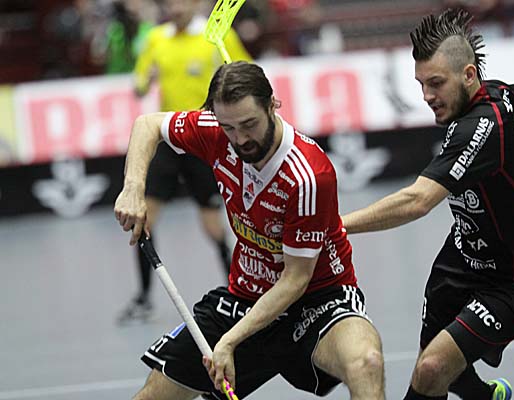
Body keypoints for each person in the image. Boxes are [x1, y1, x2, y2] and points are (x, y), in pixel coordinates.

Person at [114, 61, 385, 399]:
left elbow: (295, 280)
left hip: (317, 300)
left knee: (366, 363)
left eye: (249, 124)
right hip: (245, 298)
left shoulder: (307, 177)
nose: (240, 139)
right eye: (228, 127)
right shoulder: (216, 132)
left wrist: (229, 341)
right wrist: (133, 188)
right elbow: (148, 124)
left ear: (273, 104)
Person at [342, 9, 514, 400]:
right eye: (421, 84)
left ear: (468, 75)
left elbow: (417, 200)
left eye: (436, 83)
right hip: (466, 255)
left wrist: (335, 225)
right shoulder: (506, 92)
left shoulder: (483, 126)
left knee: (432, 368)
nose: (426, 96)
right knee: (440, 368)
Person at [117, 0, 252, 324]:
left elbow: (248, 76)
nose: (175, 7)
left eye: (182, 1)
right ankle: (144, 298)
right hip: (169, 136)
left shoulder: (218, 35)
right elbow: (138, 85)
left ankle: (241, 294)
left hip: (205, 138)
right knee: (143, 219)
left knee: (213, 225)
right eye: (170, 2)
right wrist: (145, 79)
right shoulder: (156, 39)